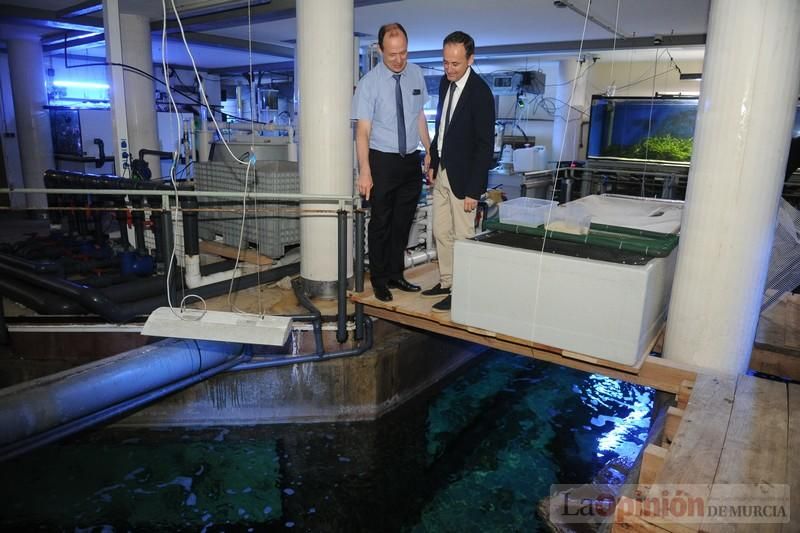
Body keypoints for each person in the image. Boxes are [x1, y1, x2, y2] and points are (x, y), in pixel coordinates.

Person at [352, 22, 432, 302]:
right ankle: (379, 279)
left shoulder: (416, 74)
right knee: (381, 223)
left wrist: (430, 151)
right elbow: (362, 131)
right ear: (380, 49)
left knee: (402, 221)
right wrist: (365, 171)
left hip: (411, 160)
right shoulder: (368, 83)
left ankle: (397, 274)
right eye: (392, 54)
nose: (399, 60)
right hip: (382, 160)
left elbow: (419, 116)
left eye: (403, 53)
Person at [422, 31, 495, 312]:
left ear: (470, 59)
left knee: (463, 237)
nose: (449, 69)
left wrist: (474, 190)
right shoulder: (444, 84)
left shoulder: (481, 93)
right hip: (442, 171)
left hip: (465, 179)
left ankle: (462, 289)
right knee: (441, 231)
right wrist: (433, 161)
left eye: (455, 64)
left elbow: (484, 146)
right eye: (445, 63)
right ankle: (447, 280)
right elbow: (443, 128)